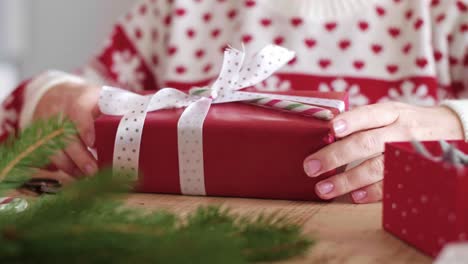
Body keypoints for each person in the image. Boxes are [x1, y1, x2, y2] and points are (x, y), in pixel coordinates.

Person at [1, 0, 466, 203]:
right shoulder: (176, 11)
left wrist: (454, 123)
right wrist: (49, 94)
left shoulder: (448, 16)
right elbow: (67, 110)